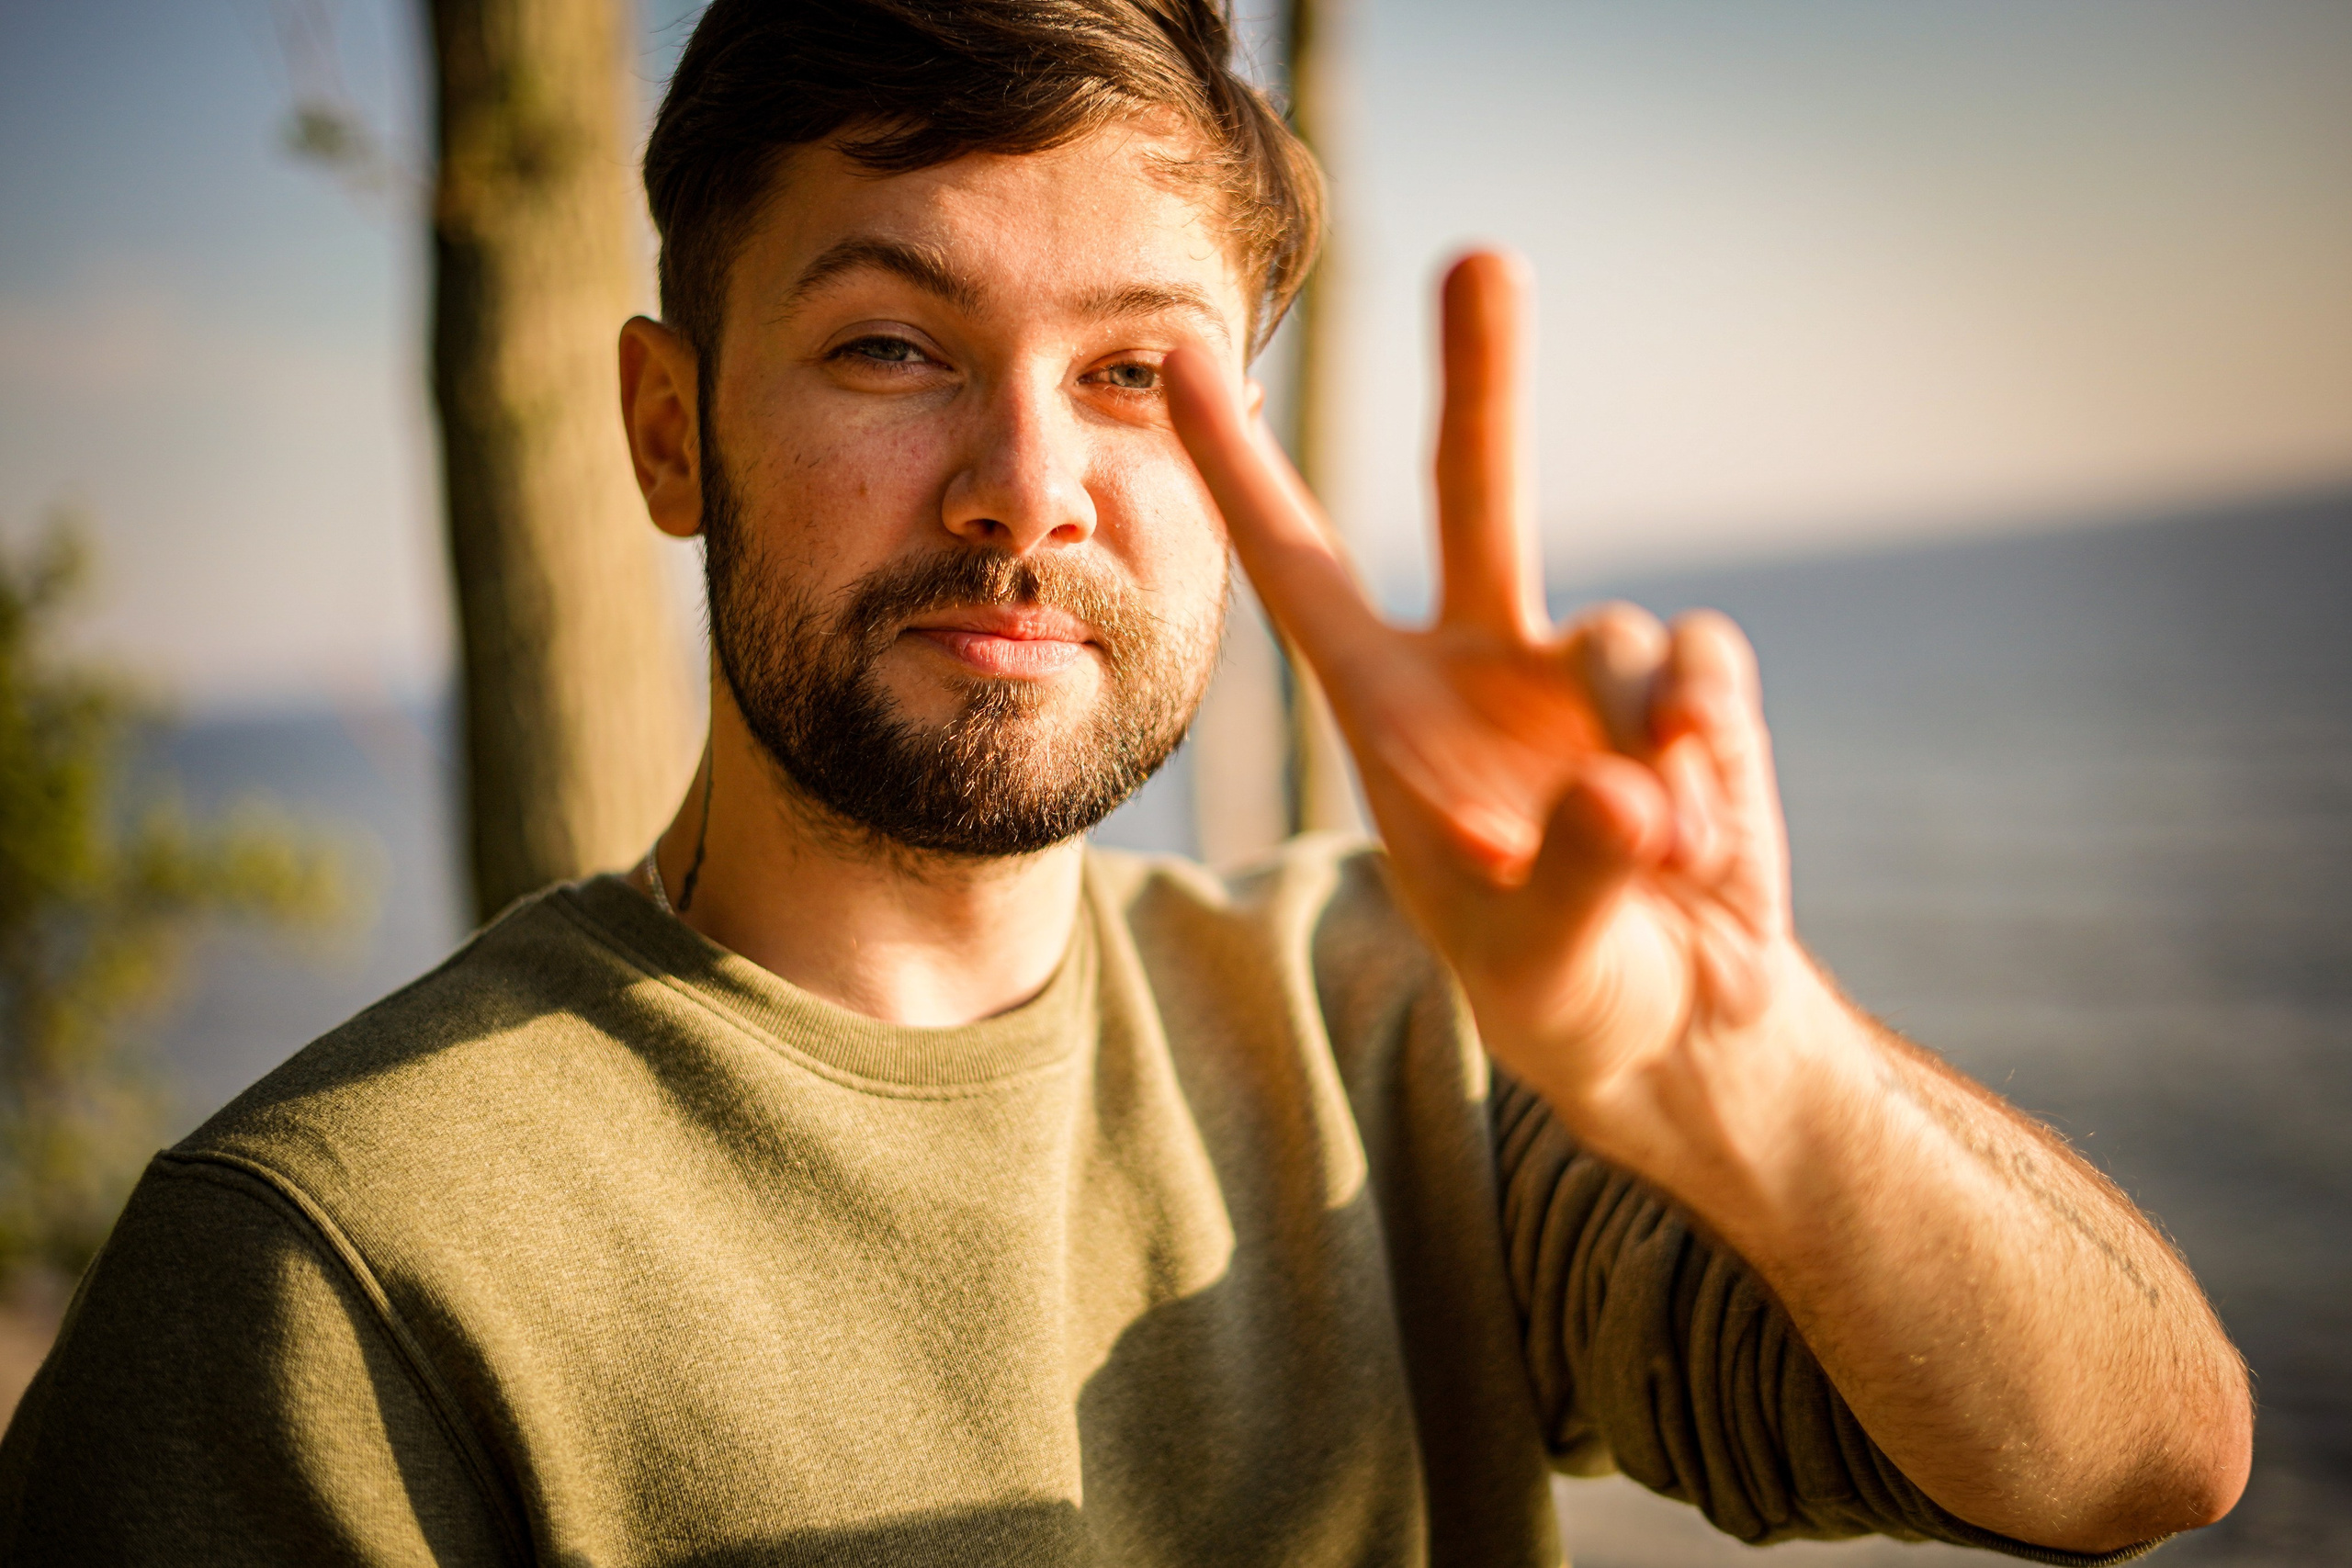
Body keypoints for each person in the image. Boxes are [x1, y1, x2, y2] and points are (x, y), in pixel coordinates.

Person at [0, 2, 2250, 1562]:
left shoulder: (1381, 1024)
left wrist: (1745, 1069)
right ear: (668, 428)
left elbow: (2139, 1450)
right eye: (891, 346)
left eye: (1138, 376)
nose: (1024, 487)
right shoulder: (329, 1270)